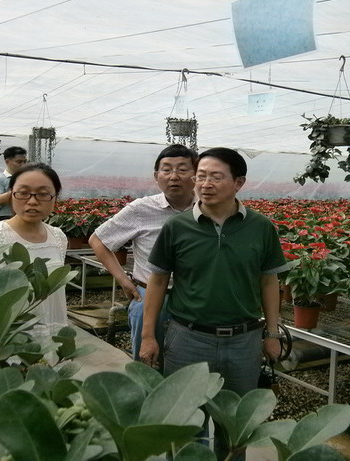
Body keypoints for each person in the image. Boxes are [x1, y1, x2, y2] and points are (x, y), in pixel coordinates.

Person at [140, 147, 289, 459]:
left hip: (244, 342)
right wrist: (148, 335)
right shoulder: (177, 227)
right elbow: (158, 281)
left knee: (235, 430)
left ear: (238, 183)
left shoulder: (260, 227)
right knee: (185, 427)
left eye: (216, 177)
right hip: (188, 340)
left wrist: (272, 334)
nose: (205, 184)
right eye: (201, 176)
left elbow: (269, 281)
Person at [89, 144, 197, 363]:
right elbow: (98, 240)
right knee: (147, 363)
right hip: (149, 296)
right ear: (156, 176)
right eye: (166, 170)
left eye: (182, 169)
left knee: (187, 364)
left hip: (194, 297)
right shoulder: (141, 209)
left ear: (196, 175)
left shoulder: (206, 208)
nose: (174, 176)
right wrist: (123, 280)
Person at [0, 163, 68, 339]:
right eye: (23, 193)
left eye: (43, 194)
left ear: (55, 197)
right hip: (9, 338)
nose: (32, 201)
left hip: (52, 331)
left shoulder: (58, 237)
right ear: (11, 194)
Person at [0, 146, 28, 220]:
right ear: (7, 162)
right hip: (5, 218)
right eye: (19, 162)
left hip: (23, 217)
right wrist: (19, 191)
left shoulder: (27, 178)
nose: (23, 165)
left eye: (25, 162)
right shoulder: (0, 179)